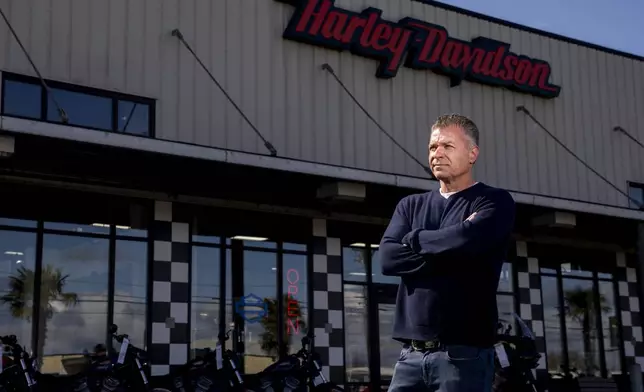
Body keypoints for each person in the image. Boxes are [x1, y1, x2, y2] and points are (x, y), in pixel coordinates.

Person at [379, 114, 516, 392]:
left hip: (464, 355)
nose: (437, 154)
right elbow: (388, 258)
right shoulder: (409, 206)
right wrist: (454, 249)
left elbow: (468, 239)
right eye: (433, 147)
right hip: (410, 357)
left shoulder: (495, 201)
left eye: (447, 146)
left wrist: (415, 238)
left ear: (472, 153)